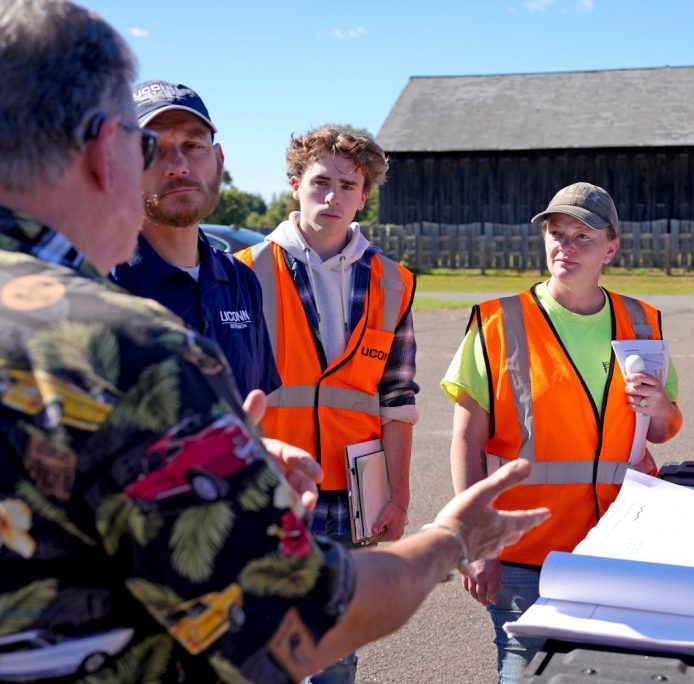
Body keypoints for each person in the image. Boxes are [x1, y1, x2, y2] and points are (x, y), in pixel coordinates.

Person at [0, 2, 548, 682]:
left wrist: (245, 453)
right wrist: (451, 542)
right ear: (100, 149)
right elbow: (297, 618)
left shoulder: (346, 280)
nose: (166, 167)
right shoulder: (126, 350)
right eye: (143, 146)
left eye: (191, 147)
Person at [443, 182, 684, 683]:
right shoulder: (497, 323)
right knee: (524, 674)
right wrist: (474, 542)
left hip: (618, 549)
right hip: (525, 555)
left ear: (611, 249)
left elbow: (662, 430)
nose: (565, 247)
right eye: (556, 234)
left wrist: (660, 404)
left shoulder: (641, 322)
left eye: (582, 236)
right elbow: (466, 440)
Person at [235, 125, 417, 683]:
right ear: (294, 185)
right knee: (256, 635)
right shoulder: (242, 271)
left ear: (364, 197)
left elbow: (398, 398)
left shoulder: (394, 282)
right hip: (269, 486)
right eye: (320, 182)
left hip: (350, 493)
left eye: (348, 185)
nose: (332, 196)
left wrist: (399, 491)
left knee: (337, 641)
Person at [110, 80, 280, 399]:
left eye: (193, 146)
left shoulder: (240, 281)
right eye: (154, 150)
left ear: (218, 159)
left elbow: (254, 410)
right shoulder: (94, 286)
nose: (178, 167)